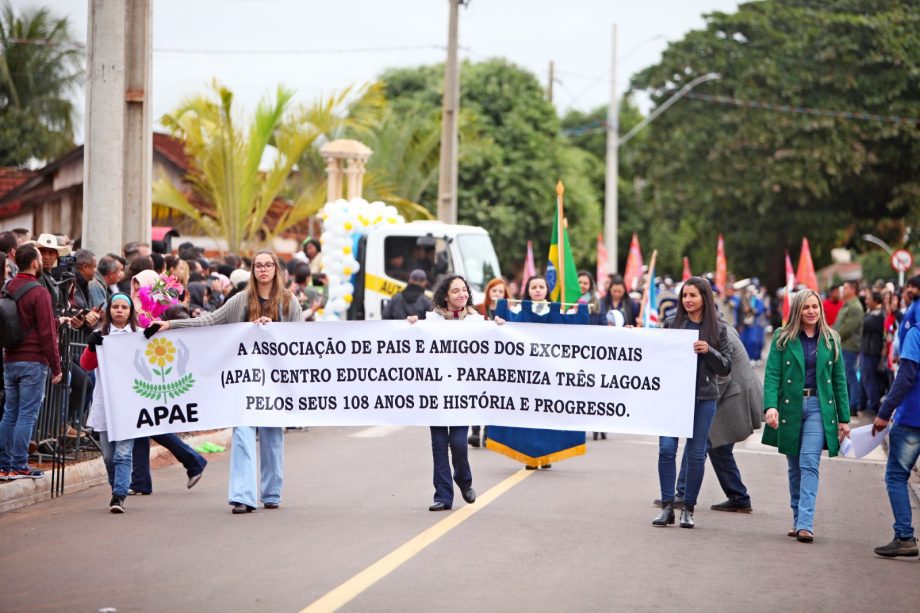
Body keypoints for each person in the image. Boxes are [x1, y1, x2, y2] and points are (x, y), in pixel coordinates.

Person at [149, 249, 302, 514]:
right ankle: (242, 495)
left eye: (268, 265)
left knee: (272, 436)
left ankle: (272, 492)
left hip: (275, 381)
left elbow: (301, 338)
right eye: (258, 265)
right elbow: (211, 321)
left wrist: (275, 329)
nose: (263, 270)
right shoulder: (240, 301)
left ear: (276, 269)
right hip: (243, 380)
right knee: (242, 434)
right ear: (253, 270)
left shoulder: (289, 302)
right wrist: (171, 325)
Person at [762, 289, 849, 543]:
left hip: (818, 409)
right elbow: (772, 375)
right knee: (794, 467)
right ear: (797, 310)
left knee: (809, 463)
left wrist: (843, 418)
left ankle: (806, 524)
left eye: (815, 306)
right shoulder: (783, 337)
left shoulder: (831, 339)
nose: (811, 311)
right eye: (806, 307)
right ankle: (797, 516)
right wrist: (770, 407)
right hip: (790, 407)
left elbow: (839, 381)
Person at [407, 275, 492, 511]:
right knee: (438, 444)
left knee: (458, 443)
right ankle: (443, 495)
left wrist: (501, 327)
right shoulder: (431, 320)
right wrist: (413, 323)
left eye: (464, 290)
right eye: (456, 291)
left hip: (462, 394)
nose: (461, 294)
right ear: (446, 295)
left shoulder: (476, 320)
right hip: (436, 392)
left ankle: (464, 480)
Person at [652, 277, 731, 529]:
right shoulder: (670, 324)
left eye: (693, 296)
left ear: (704, 298)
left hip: (704, 399)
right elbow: (650, 351)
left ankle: (688, 507)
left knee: (696, 455)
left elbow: (726, 367)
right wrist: (635, 336)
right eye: (684, 295)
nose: (687, 300)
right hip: (672, 398)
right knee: (666, 449)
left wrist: (709, 350)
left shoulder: (718, 330)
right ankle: (667, 507)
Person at [659, 325, 762, 513]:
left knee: (700, 442)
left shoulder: (716, 332)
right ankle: (738, 496)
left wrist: (698, 401)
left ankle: (682, 494)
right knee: (718, 448)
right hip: (734, 395)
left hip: (732, 397)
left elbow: (721, 377)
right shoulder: (719, 328)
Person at [0, 244, 64, 480]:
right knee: (26, 415)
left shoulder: (8, 287)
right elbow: (47, 335)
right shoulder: (39, 292)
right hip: (33, 361)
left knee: (9, 413)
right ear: (36, 263)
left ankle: (4, 464)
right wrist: (56, 367)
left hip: (10, 359)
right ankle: (18, 464)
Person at [80, 293, 140, 512]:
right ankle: (116, 485)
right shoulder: (100, 335)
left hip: (130, 404)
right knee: (108, 456)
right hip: (105, 402)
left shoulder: (140, 335)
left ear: (131, 311)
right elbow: (86, 365)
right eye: (115, 306)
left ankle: (119, 495)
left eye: (124, 307)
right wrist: (91, 347)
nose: (120, 311)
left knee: (123, 453)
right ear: (108, 310)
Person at [871, 324, 920, 558]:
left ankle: (904, 537)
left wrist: (885, 410)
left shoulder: (916, 332)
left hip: (913, 417)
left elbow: (907, 374)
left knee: (896, 476)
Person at [833, 280, 864, 416]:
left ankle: (853, 406)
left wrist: (833, 337)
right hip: (842, 345)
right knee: (844, 377)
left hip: (849, 347)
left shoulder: (855, 307)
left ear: (853, 289)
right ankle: (845, 405)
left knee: (850, 377)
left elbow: (848, 328)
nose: (842, 290)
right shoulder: (846, 305)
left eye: (845, 288)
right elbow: (838, 324)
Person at [859, 290, 885, 416]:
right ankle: (868, 404)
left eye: (868, 299)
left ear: (876, 301)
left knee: (870, 380)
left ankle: (873, 405)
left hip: (872, 352)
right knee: (866, 379)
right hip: (866, 351)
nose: (866, 301)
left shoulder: (878, 316)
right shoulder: (871, 314)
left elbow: (861, 325)